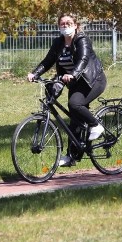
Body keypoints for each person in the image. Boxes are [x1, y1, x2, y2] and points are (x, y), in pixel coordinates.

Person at [27, 13, 107, 167]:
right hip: (75, 82)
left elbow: (83, 60)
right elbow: (48, 61)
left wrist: (72, 74)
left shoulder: (82, 40)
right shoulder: (58, 43)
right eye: (62, 23)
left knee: (74, 104)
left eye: (69, 23)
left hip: (93, 81)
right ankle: (72, 156)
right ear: (59, 26)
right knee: (75, 118)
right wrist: (35, 73)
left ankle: (96, 125)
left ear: (76, 25)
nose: (65, 26)